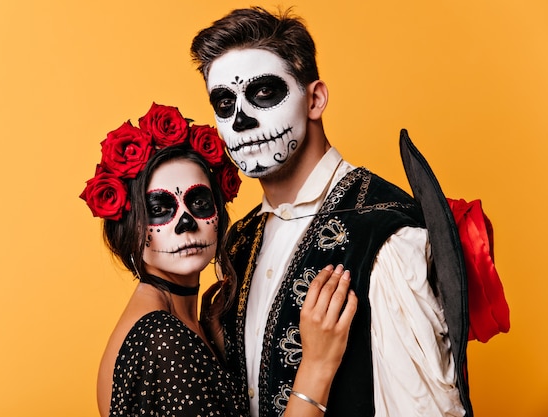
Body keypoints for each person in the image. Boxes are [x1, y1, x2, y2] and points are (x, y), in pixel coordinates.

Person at [191, 7, 468, 417]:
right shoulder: (240, 240)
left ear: (315, 99)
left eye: (264, 93)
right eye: (224, 102)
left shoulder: (385, 236)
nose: (242, 120)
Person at [80, 103, 358, 416]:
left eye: (198, 202)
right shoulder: (162, 339)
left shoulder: (180, 322)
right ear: (128, 227)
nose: (185, 223)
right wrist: (317, 365)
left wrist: (219, 345)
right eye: (160, 209)